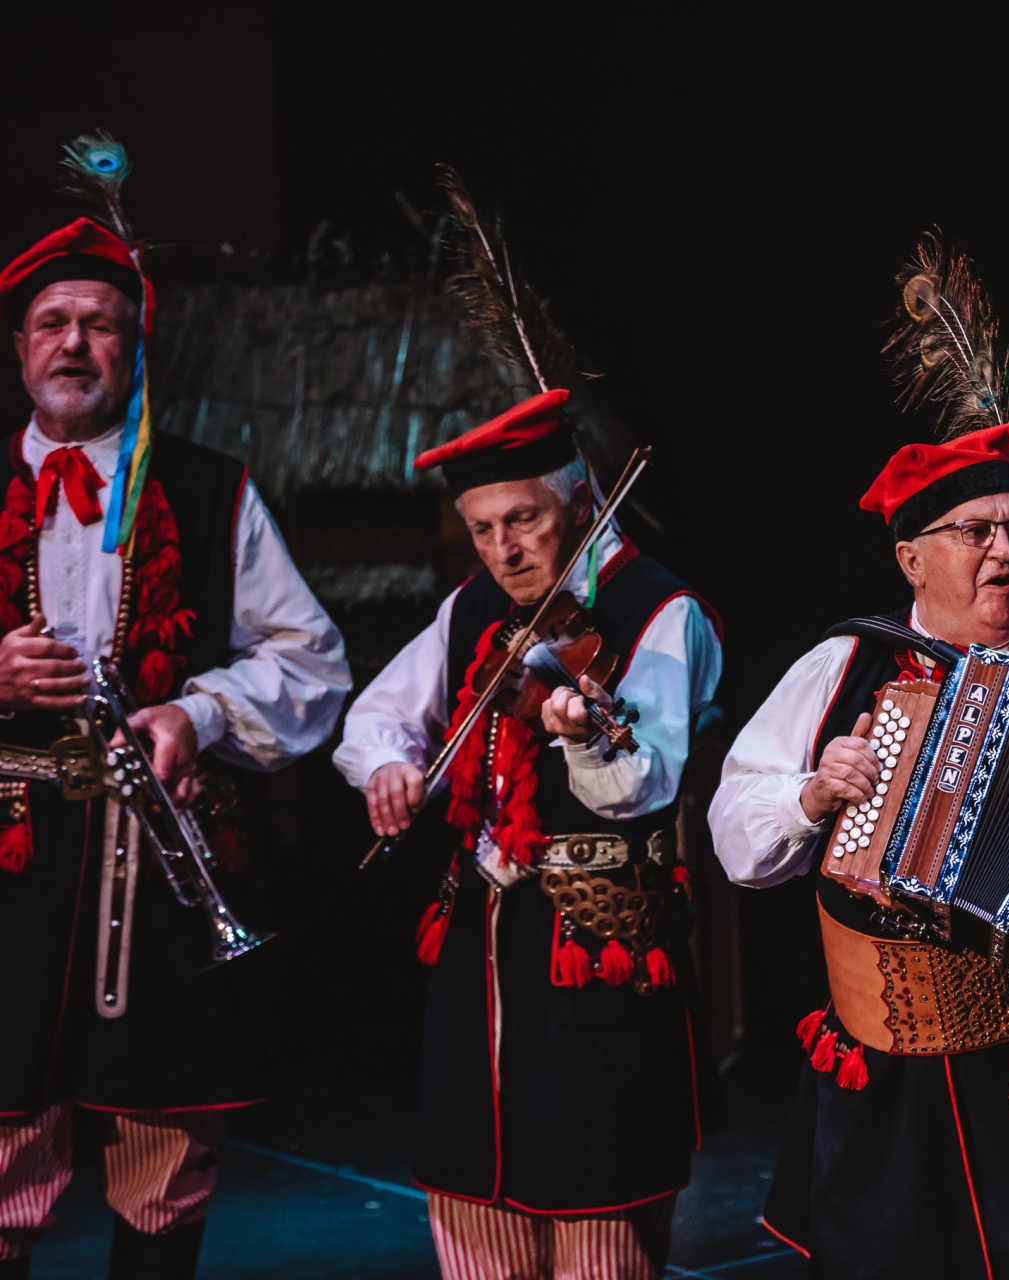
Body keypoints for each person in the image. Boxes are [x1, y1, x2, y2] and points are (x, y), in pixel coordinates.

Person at [709, 236, 1009, 1280]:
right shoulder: (846, 666)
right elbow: (738, 839)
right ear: (911, 557)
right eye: (974, 531)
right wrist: (812, 794)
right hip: (893, 1067)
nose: (1005, 553)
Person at [0, 156, 350, 1276]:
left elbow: (310, 661)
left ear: (133, 344)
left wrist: (199, 714)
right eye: (51, 323)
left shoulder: (209, 488)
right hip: (8, 874)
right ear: (20, 348)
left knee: (163, 1162)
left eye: (99, 325)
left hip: (154, 869)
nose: (73, 344)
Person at [333, 377, 722, 1279]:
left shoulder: (660, 611)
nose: (503, 551)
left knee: (598, 1204)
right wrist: (388, 764)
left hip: (597, 940)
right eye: (482, 529)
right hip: (482, 938)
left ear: (580, 502)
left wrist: (581, 735)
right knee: (474, 1190)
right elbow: (377, 715)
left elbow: (645, 783)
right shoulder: (473, 607)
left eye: (524, 520)